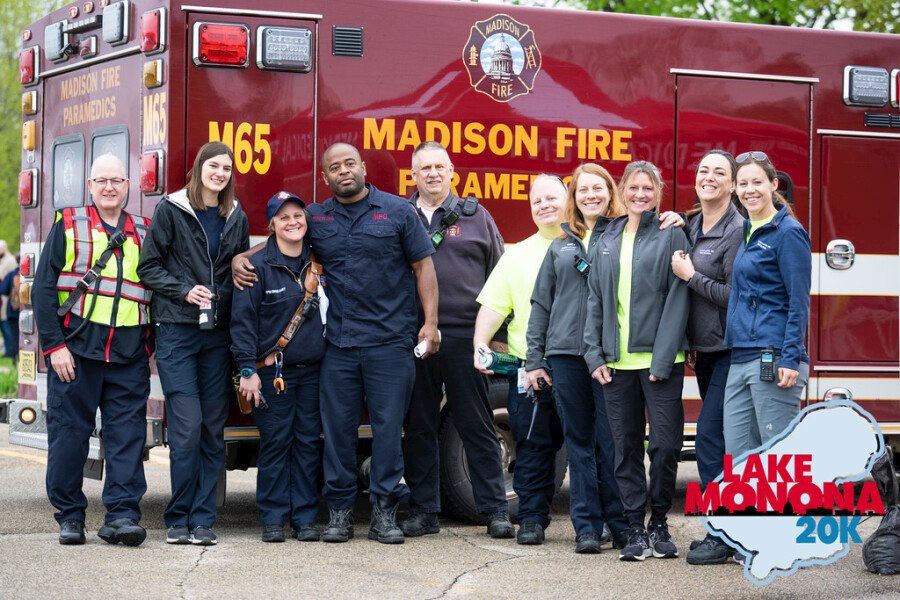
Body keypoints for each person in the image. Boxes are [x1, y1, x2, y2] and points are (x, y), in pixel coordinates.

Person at [235, 143, 439, 544]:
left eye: (349, 163)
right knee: (338, 433)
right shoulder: (316, 216)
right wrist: (240, 258)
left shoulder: (399, 212)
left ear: (362, 167)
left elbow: (423, 266)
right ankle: (341, 514)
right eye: (334, 167)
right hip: (339, 348)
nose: (343, 170)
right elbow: (282, 237)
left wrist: (430, 323)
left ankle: (384, 515)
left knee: (387, 431)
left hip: (390, 343)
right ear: (325, 178)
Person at [32, 154, 153, 546]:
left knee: (128, 439)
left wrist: (148, 346)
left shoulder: (145, 231)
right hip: (76, 354)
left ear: (128, 186)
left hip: (128, 356)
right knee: (69, 436)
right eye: (101, 181)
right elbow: (43, 289)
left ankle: (121, 516)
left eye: (117, 180)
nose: (109, 187)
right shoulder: (68, 225)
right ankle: (70, 516)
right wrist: (54, 347)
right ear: (89, 186)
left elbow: (156, 290)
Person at [138, 141, 249, 546]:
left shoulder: (234, 216)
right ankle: (177, 518)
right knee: (186, 428)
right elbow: (147, 266)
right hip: (177, 333)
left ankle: (203, 520)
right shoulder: (171, 210)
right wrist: (185, 291)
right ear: (200, 167)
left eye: (226, 168)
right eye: (214, 166)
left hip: (217, 336)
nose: (220, 173)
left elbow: (238, 267)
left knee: (212, 430)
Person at [401, 141, 513, 539]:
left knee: (476, 423)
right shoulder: (402, 216)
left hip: (467, 335)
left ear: (452, 171)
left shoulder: (478, 216)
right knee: (419, 425)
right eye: (424, 168)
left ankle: (495, 510)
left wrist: (496, 339)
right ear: (412, 176)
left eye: (439, 167)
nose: (432, 174)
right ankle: (424, 511)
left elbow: (500, 279)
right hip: (416, 336)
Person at [584, 160, 690, 561]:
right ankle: (633, 527)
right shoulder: (606, 235)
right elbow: (594, 299)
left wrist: (662, 359)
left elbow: (679, 297)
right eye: (633, 188)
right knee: (624, 447)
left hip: (661, 362)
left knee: (664, 445)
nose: (640, 195)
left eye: (648, 189)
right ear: (622, 191)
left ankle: (659, 521)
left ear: (658, 193)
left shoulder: (671, 232)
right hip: (615, 363)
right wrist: (594, 354)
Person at [525, 163, 630, 553]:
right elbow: (541, 305)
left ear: (609, 192)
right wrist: (535, 359)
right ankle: (586, 527)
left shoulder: (626, 237)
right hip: (565, 356)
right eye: (582, 190)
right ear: (574, 198)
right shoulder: (560, 246)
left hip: (610, 357)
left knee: (612, 443)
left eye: (597, 188)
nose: (590, 196)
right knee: (580, 442)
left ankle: (620, 526)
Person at [473, 174, 567, 546]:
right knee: (532, 446)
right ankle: (531, 519)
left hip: (583, 367)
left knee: (590, 446)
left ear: (568, 200)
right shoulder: (517, 255)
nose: (544, 205)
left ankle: (594, 524)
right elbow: (494, 306)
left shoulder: (592, 243)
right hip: (530, 370)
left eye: (552, 198)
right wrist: (480, 343)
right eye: (537, 201)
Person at [230, 192, 326, 543]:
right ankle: (272, 518)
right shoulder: (254, 267)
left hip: (314, 372)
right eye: (283, 217)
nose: (293, 222)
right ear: (271, 225)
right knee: (276, 444)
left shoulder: (319, 261)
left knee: (307, 444)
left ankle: (304, 519)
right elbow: (242, 323)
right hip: (271, 373)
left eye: (297, 215)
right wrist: (246, 371)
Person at [670, 150, 745, 565]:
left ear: (732, 185)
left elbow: (735, 298)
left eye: (719, 172)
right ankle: (725, 530)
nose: (709, 177)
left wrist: (691, 277)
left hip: (732, 349)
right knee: (714, 440)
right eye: (703, 171)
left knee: (712, 440)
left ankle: (725, 535)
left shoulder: (738, 230)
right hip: (708, 351)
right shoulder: (693, 223)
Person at [722, 152, 811, 457]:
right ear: (734, 188)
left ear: (774, 184)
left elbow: (799, 301)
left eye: (757, 182)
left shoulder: (788, 233)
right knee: (737, 459)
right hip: (740, 355)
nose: (750, 190)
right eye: (743, 183)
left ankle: (787, 506)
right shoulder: (745, 231)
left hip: (773, 358)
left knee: (776, 459)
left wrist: (790, 358)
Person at [0, 265, 20, 358]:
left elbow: (3, 290)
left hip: (13, 313)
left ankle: (15, 358)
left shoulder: (11, 274)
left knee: (15, 337)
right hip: (27, 310)